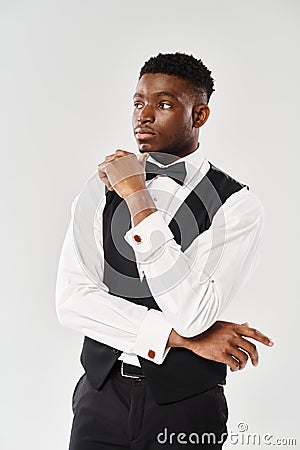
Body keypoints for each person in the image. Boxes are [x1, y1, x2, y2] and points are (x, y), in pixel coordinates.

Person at [55, 52, 274, 450]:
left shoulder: (237, 205)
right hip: (99, 398)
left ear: (200, 116)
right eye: (138, 103)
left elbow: (193, 314)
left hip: (187, 406)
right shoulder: (97, 188)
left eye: (164, 104)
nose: (144, 115)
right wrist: (187, 341)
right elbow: (72, 302)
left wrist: (139, 197)